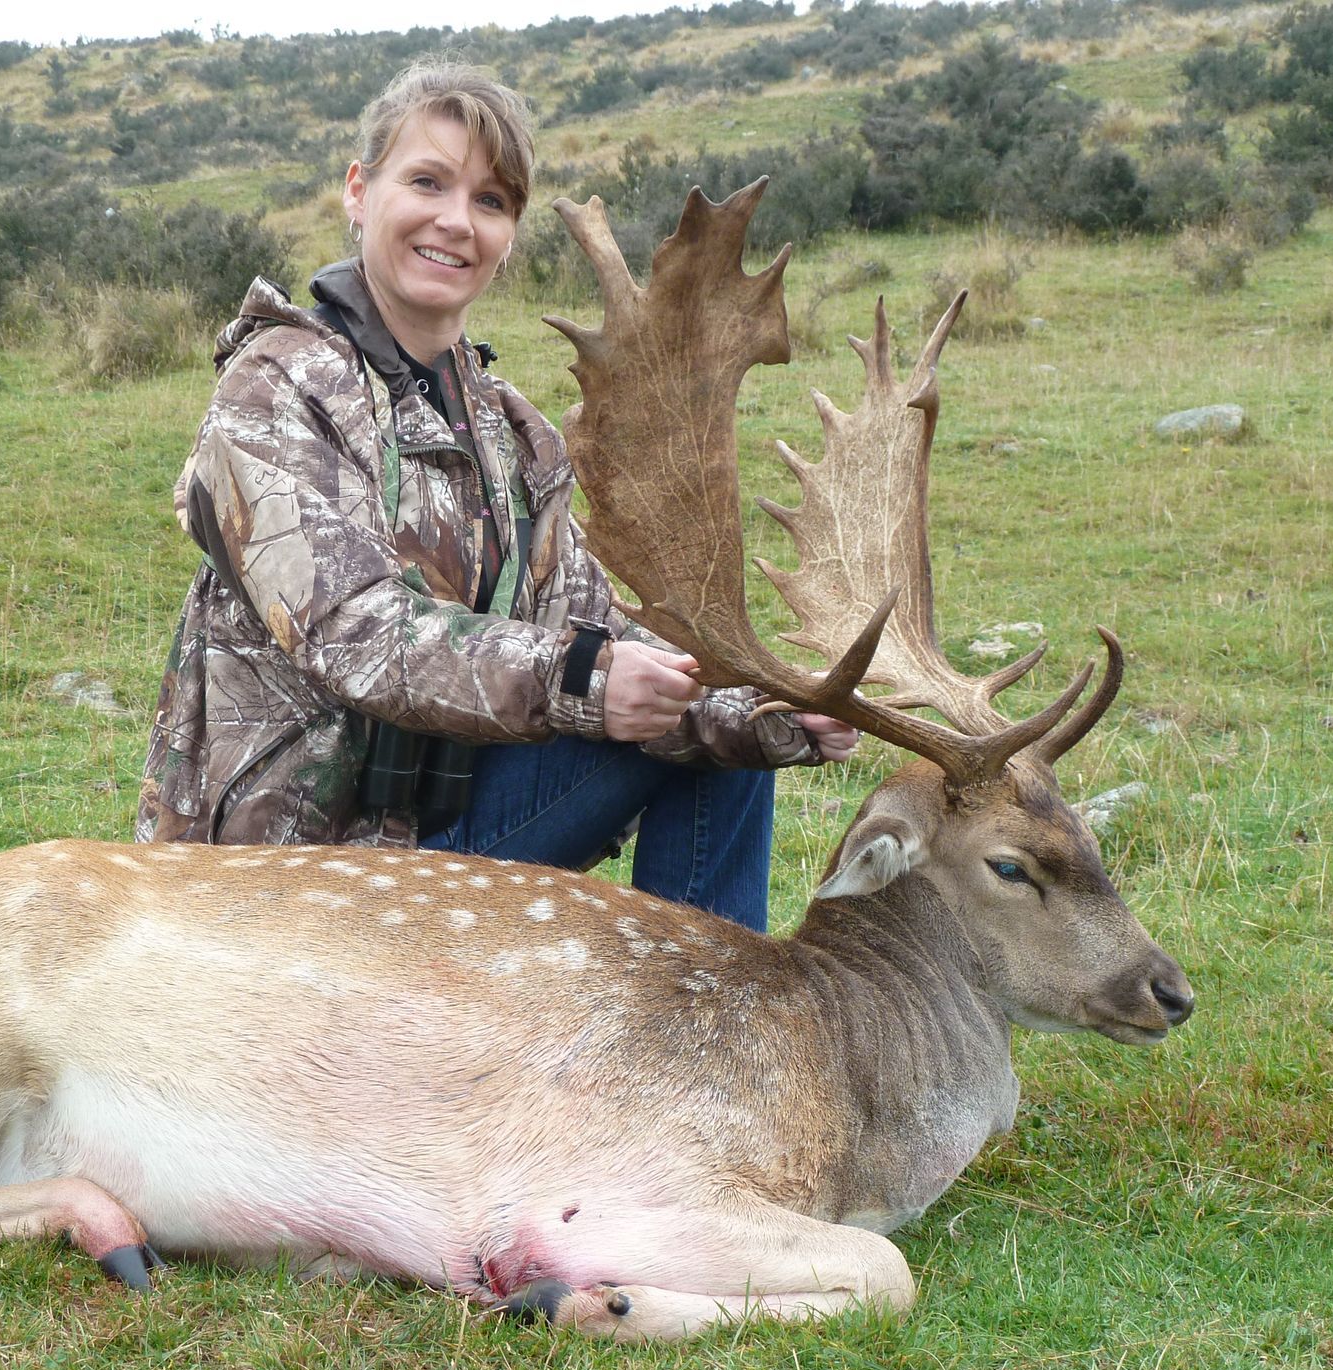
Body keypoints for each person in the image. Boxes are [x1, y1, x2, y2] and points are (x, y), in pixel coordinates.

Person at [138, 60, 857, 931]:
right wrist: (583, 676)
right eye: (427, 182)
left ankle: (708, 1030)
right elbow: (356, 637)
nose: (455, 221)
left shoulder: (513, 431)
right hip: (288, 885)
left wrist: (771, 713)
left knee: (723, 747)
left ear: (510, 234)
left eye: (490, 201)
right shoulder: (275, 389)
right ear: (359, 192)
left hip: (444, 848)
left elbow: (600, 628)